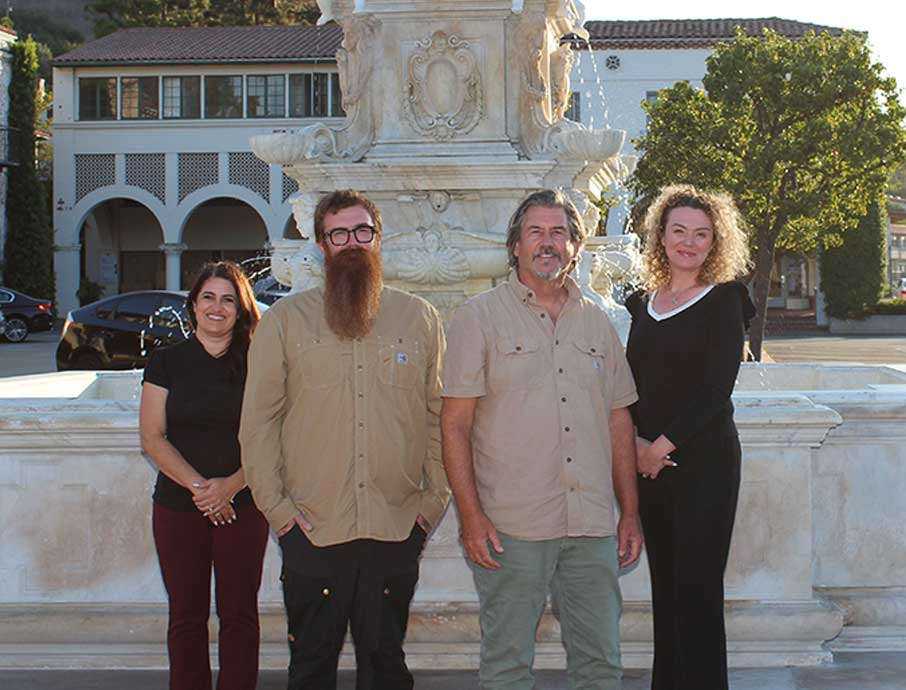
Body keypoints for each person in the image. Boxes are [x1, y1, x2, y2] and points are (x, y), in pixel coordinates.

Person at [239, 190, 450, 690]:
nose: (352, 243)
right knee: (311, 667)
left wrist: (431, 504)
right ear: (320, 244)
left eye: (362, 232)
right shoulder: (285, 322)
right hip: (313, 529)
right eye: (339, 234)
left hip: (395, 527)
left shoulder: (418, 318)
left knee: (386, 666)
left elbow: (439, 416)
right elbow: (259, 423)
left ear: (379, 239)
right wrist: (280, 513)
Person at [441, 189, 643, 690]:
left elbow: (619, 421)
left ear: (576, 245)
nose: (547, 243)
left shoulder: (599, 323)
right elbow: (454, 425)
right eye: (536, 232)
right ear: (515, 245)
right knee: (507, 668)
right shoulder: (478, 318)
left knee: (601, 665)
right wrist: (470, 517)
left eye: (559, 233)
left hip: (591, 524)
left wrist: (630, 512)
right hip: (512, 527)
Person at [624, 184, 754, 690]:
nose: (688, 242)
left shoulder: (726, 301)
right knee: (667, 590)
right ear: (660, 235)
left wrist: (659, 446)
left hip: (704, 466)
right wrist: (636, 443)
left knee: (697, 592)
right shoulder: (643, 304)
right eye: (678, 230)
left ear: (715, 242)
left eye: (701, 234)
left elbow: (716, 389)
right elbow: (633, 383)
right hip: (651, 466)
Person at [139, 260, 269, 690]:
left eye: (228, 299)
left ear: (241, 308)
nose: (218, 307)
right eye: (208, 297)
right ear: (193, 305)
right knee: (186, 616)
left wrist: (229, 487)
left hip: (244, 505)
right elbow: (152, 438)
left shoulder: (260, 364)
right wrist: (203, 490)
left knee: (239, 615)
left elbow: (275, 437)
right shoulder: (166, 361)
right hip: (178, 507)